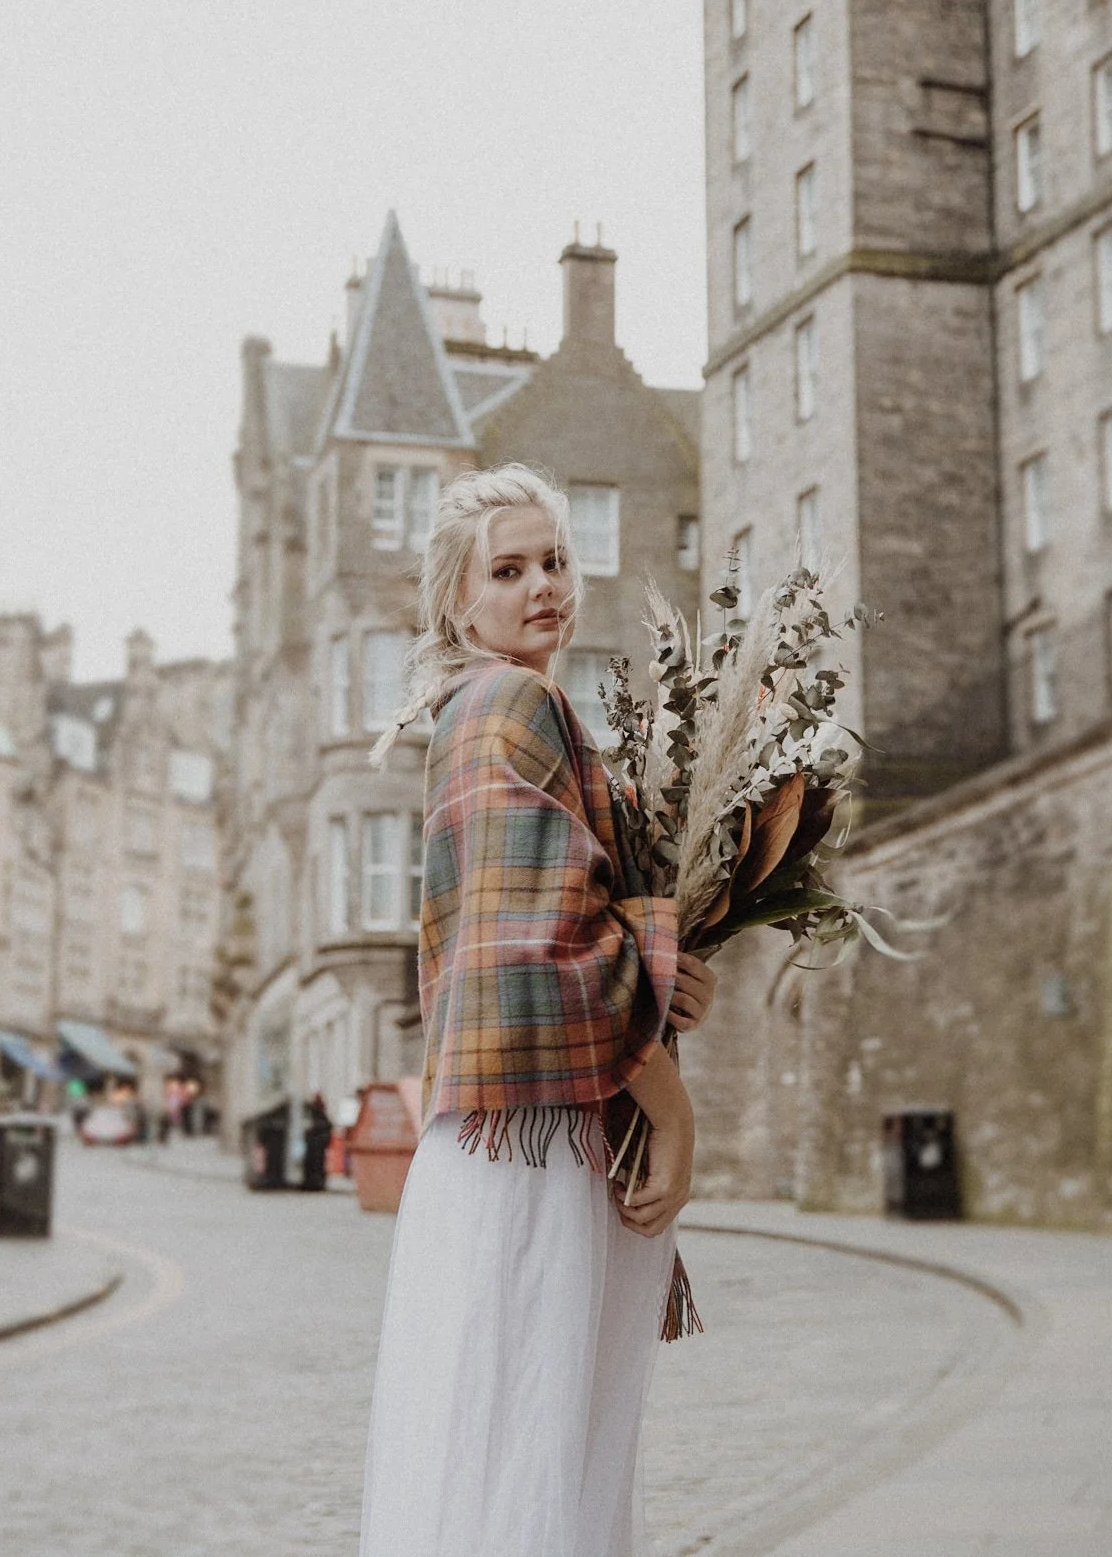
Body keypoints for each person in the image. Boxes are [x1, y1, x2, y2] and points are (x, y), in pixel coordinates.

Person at [357, 464, 718, 1557]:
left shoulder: (484, 708)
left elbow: (568, 923)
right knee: (534, 1457)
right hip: (539, 1149)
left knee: (501, 1446)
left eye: (554, 560)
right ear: (459, 604)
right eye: (506, 569)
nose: (541, 585)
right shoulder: (514, 702)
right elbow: (543, 950)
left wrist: (664, 957)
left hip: (505, 1140)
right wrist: (674, 1110)